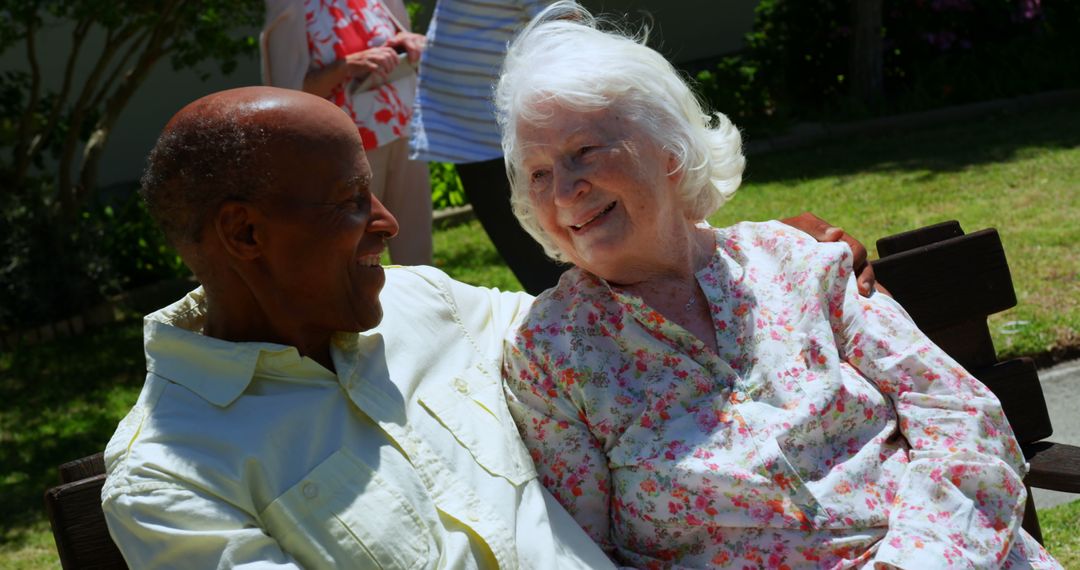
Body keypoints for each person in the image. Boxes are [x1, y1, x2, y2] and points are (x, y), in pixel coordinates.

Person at [496, 3, 1061, 569]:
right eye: (538, 173)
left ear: (668, 146)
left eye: (583, 151)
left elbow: (958, 415)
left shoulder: (794, 260)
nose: (563, 192)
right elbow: (580, 554)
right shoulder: (550, 354)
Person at [99, 86, 615, 569]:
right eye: (352, 200)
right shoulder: (169, 477)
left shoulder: (425, 300)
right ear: (245, 232)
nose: (388, 223)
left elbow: (603, 323)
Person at [408, 0, 565, 294]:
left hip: (505, 142)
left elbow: (561, 25)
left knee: (551, 263)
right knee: (534, 263)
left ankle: (585, 319)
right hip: (473, 136)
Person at [262, 0, 433, 265]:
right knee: (356, 254)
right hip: (348, 149)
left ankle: (424, 293)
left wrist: (409, 42)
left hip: (404, 127)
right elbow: (287, 97)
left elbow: (397, 37)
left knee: (416, 247)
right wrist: (347, 65)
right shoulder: (290, 6)